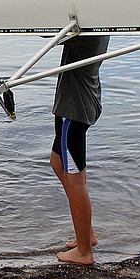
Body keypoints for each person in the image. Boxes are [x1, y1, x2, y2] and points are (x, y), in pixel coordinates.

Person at [50, 34, 109, 265]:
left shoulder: (84, 32)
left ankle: (84, 251)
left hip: (73, 112)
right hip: (76, 105)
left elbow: (48, 32)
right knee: (57, 162)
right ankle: (87, 234)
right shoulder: (95, 23)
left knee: (75, 180)